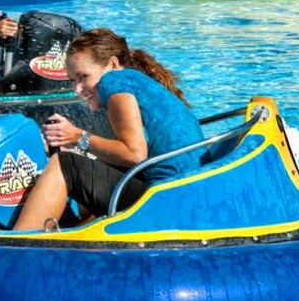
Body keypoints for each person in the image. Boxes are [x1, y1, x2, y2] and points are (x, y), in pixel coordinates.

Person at [13, 28, 205, 231]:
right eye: (73, 80)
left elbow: (135, 154)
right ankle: (69, 227)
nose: (78, 89)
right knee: (86, 163)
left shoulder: (115, 81)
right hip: (187, 196)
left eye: (83, 76)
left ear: (113, 64)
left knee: (64, 164)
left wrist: (78, 136)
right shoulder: (137, 83)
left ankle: (18, 242)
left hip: (166, 200)